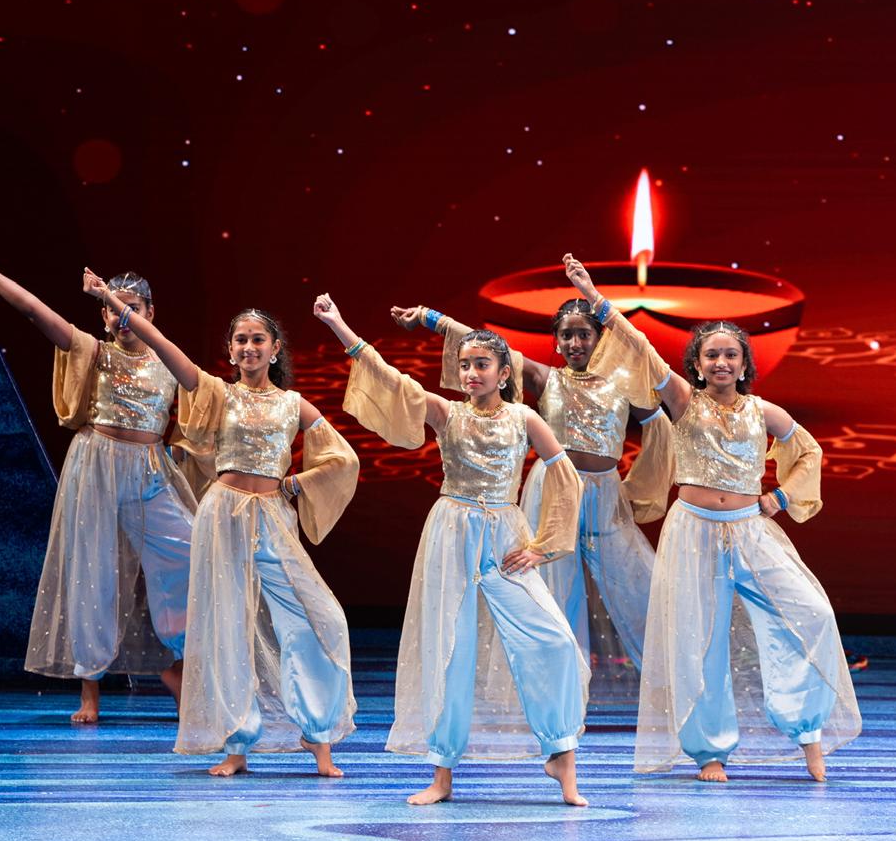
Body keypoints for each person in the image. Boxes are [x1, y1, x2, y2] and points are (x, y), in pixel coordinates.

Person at [558, 254, 860, 782]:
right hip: (693, 531)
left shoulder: (764, 412)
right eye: (712, 355)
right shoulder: (682, 401)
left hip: (750, 531)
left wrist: (780, 497)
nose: (721, 362)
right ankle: (709, 750)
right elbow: (639, 347)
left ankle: (808, 732)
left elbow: (809, 452)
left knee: (810, 613)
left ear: (744, 364)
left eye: (730, 355)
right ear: (697, 365)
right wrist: (596, 299)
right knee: (699, 638)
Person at [315, 292, 591, 805]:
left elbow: (566, 476)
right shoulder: (448, 414)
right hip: (452, 531)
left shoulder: (524, 419)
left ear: (504, 373)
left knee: (553, 641)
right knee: (449, 651)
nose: (470, 373)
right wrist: (339, 326)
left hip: (504, 537)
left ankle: (561, 756)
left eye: (481, 364)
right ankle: (441, 775)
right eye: (464, 365)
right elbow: (389, 379)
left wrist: (544, 546)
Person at [88, 271, 359, 775]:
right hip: (222, 514)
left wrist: (295, 484)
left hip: (271, 518)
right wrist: (112, 301)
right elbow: (163, 347)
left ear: (275, 349)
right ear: (230, 350)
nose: (249, 347)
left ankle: (318, 736)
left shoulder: (292, 404)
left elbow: (343, 459)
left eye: (258, 339)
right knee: (227, 626)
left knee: (318, 617)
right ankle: (237, 744)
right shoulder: (217, 392)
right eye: (241, 340)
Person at [0, 253, 196, 723]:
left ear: (150, 313)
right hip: (98, 466)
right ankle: (90, 691)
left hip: (149, 470)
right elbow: (33, 310)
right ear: (103, 315)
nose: (122, 318)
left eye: (132, 309)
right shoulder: (94, 351)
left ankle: (177, 666)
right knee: (94, 573)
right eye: (113, 310)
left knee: (190, 553)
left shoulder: (167, 360)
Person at [389, 294, 671, 693]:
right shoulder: (545, 377)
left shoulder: (624, 384)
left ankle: (668, 678)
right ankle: (555, 686)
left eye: (584, 334)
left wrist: (639, 486)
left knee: (634, 579)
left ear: (600, 338)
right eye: (567, 335)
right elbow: (486, 348)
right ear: (556, 340)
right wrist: (430, 318)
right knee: (551, 585)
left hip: (604, 491)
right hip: (552, 490)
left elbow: (663, 428)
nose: (575, 343)